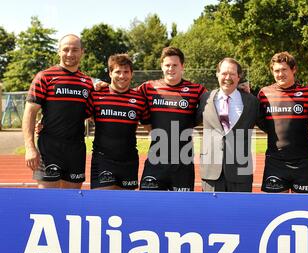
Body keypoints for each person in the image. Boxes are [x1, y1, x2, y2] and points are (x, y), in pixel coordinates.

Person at [22, 34, 93, 189]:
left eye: (75, 50)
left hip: (76, 149)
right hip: (49, 148)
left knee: (72, 201)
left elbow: (90, 113)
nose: (70, 54)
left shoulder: (87, 82)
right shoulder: (44, 77)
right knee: (47, 200)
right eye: (66, 49)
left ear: (82, 52)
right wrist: (30, 147)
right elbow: (30, 112)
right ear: (59, 51)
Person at [138, 47, 206, 191]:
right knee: (148, 207)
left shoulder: (197, 90)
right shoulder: (148, 88)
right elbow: (124, 95)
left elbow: (219, 99)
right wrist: (100, 84)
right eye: (167, 65)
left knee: (181, 210)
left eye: (175, 65)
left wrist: (240, 89)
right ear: (162, 66)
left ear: (182, 66)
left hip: (183, 163)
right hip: (155, 161)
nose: (171, 69)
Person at [258, 51, 308, 193]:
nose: (280, 74)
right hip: (275, 161)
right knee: (276, 209)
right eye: (276, 70)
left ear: (294, 70)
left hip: (303, 162)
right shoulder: (264, 94)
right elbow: (259, 119)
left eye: (284, 69)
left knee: (303, 208)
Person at [196, 57, 261, 192]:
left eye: (232, 74)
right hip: (211, 172)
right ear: (217, 74)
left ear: (239, 77)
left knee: (239, 212)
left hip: (241, 172)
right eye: (224, 73)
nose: (227, 77)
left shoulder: (252, 102)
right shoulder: (204, 99)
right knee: (211, 212)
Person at [91, 54, 151, 190]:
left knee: (125, 206)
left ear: (131, 74)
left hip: (129, 161)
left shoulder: (140, 99)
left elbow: (151, 128)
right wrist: (44, 121)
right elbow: (75, 115)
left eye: (126, 72)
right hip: (103, 160)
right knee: (102, 204)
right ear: (110, 73)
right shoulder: (96, 95)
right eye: (118, 72)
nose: (122, 76)